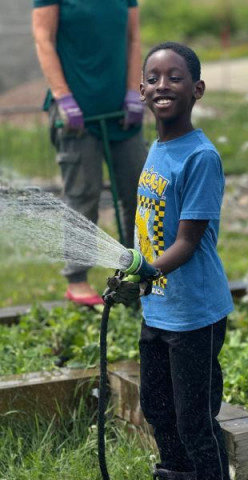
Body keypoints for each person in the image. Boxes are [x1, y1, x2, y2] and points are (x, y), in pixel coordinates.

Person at [114, 41, 234, 480]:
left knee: (195, 421)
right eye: (152, 78)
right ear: (142, 92)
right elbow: (150, 228)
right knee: (158, 410)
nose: (162, 85)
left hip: (194, 316)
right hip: (158, 307)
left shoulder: (200, 157)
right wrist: (132, 269)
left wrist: (146, 272)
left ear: (197, 90)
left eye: (175, 77)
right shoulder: (158, 148)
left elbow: (186, 242)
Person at [32, 0, 147, 305]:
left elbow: (133, 37)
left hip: (123, 109)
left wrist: (135, 92)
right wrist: (63, 96)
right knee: (84, 194)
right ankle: (77, 280)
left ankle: (135, 275)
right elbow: (43, 38)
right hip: (76, 114)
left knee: (140, 193)